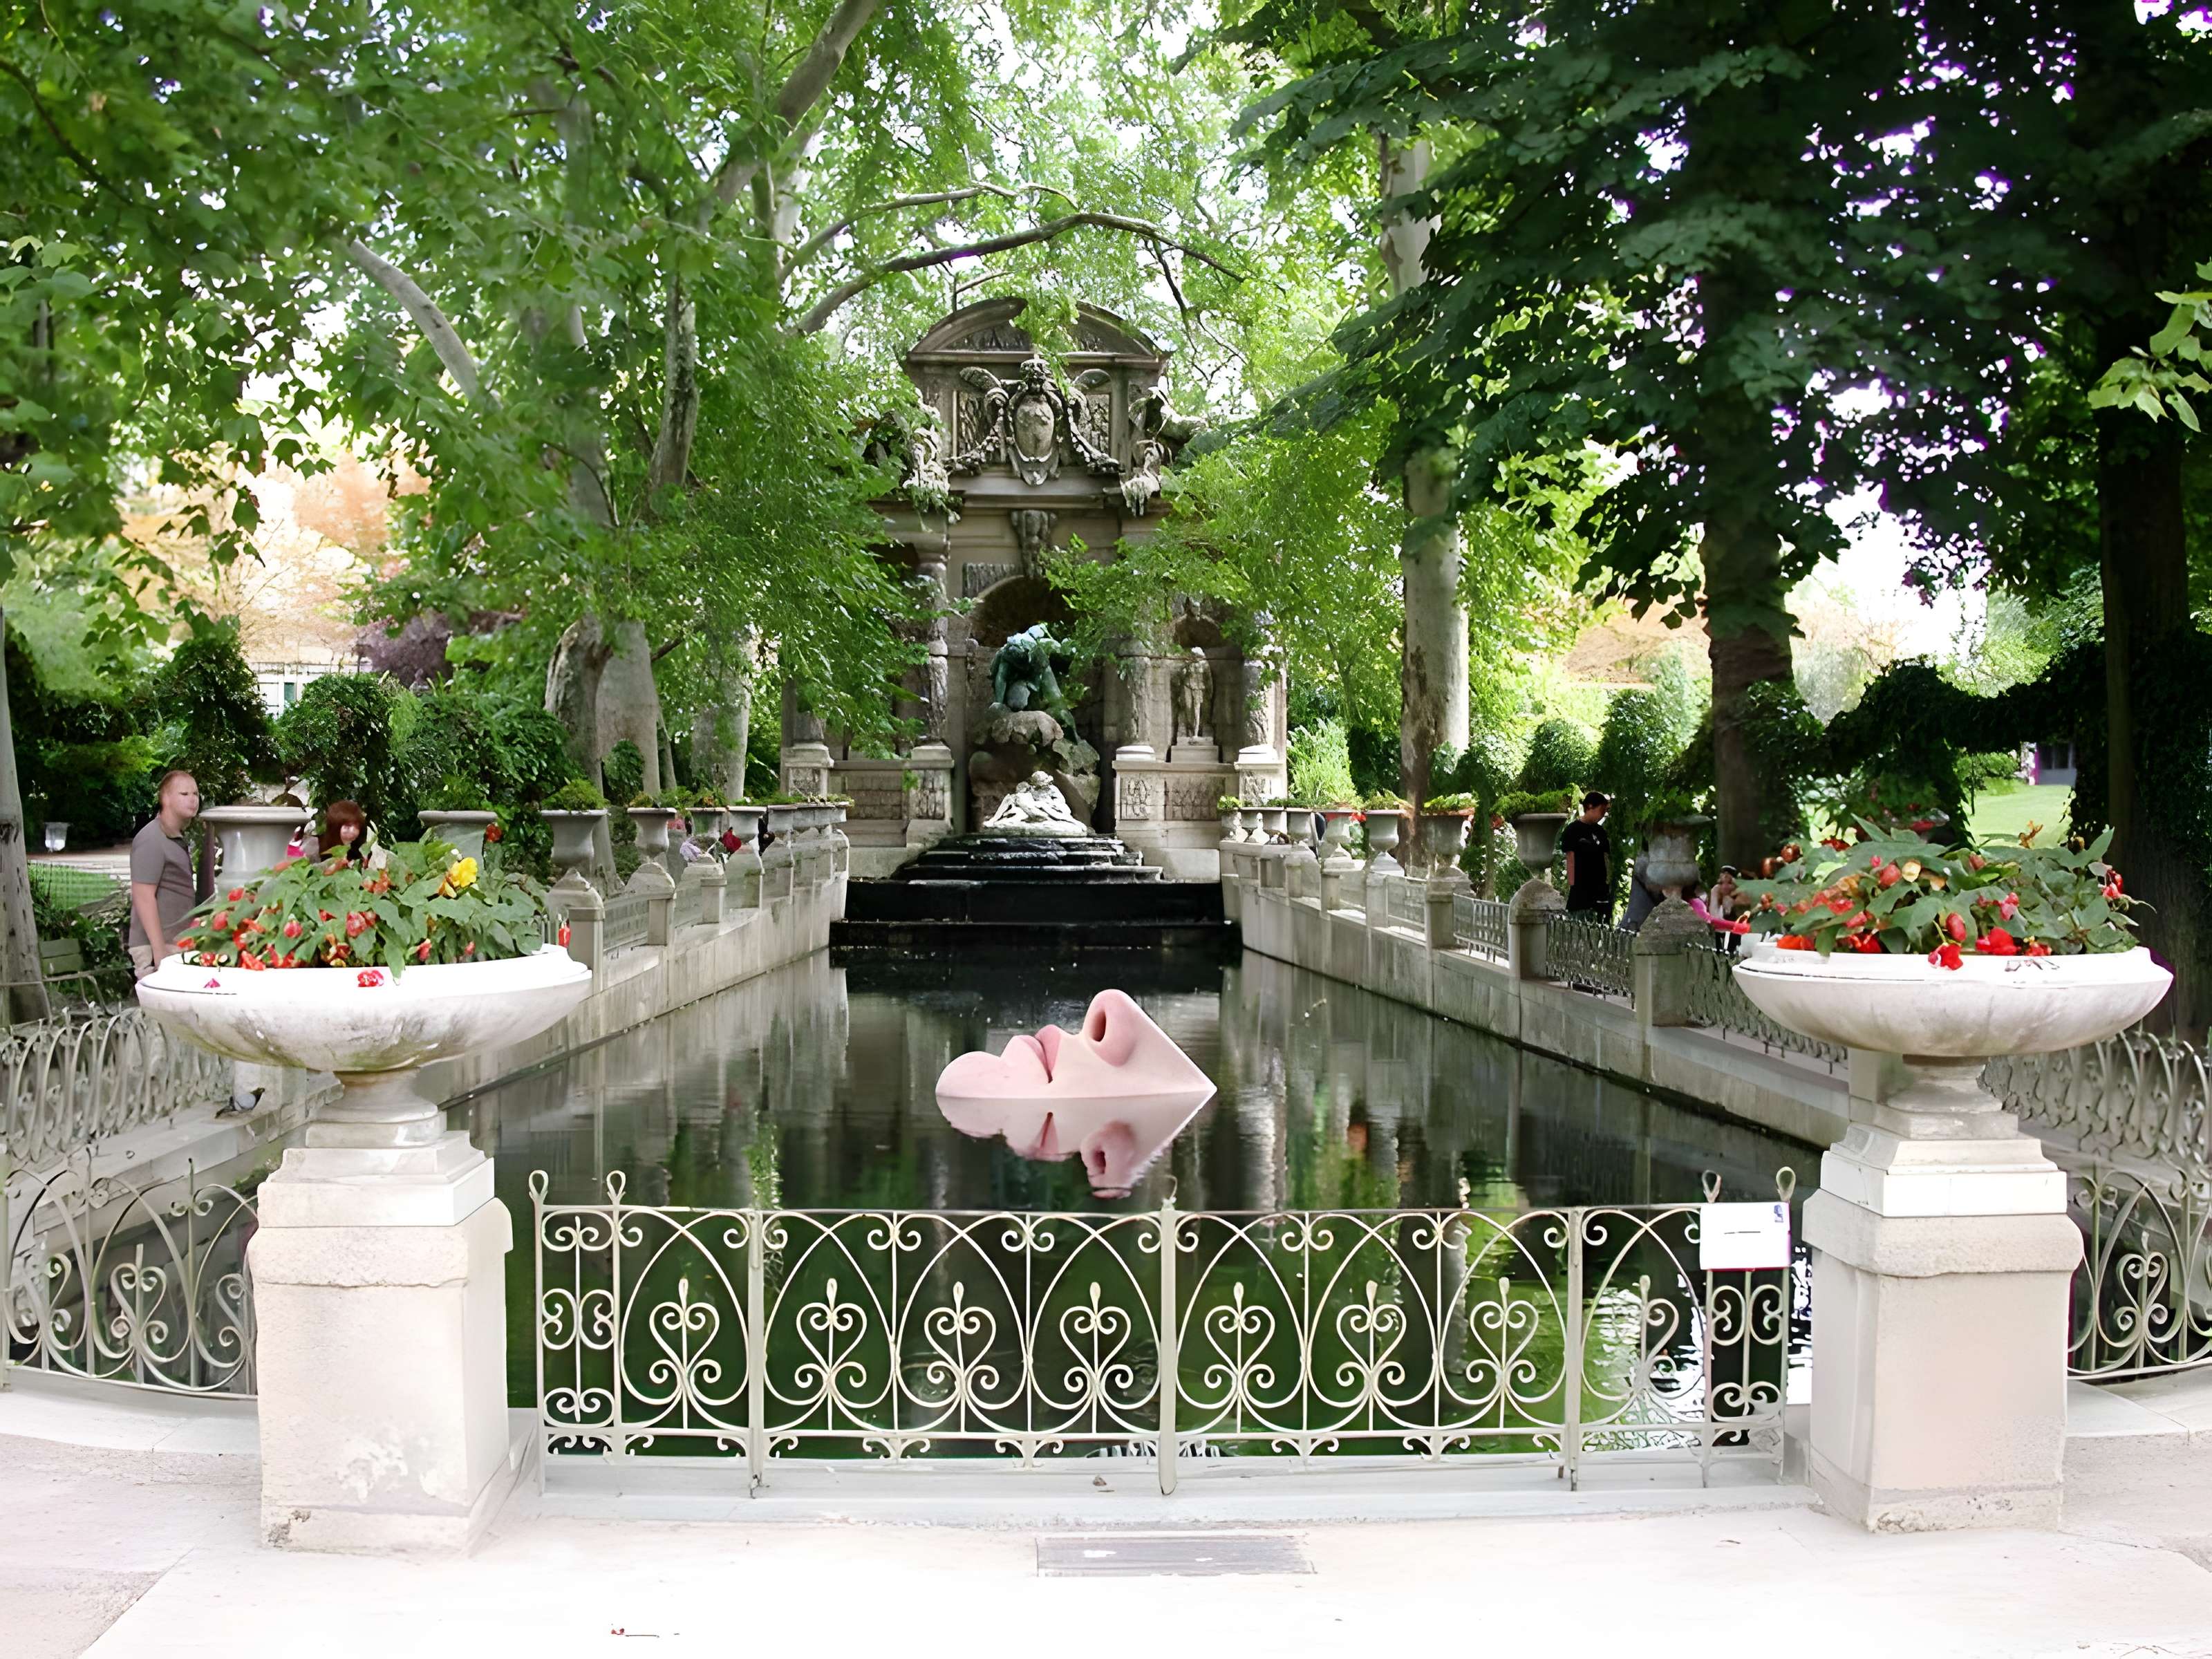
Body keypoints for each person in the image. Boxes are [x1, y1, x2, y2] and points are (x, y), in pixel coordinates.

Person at [129, 769, 200, 979]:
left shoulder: (175, 837)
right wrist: (160, 955)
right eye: (184, 794)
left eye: (195, 794)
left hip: (176, 946)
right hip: (157, 950)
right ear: (165, 798)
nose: (193, 800)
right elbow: (143, 897)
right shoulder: (152, 838)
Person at [1559, 791, 1613, 921]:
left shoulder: (1601, 832)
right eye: (1601, 810)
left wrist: (1607, 884)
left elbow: (1606, 859)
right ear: (1590, 807)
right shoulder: (1573, 830)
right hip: (1580, 891)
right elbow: (1570, 859)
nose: (1603, 815)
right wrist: (1573, 887)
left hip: (1600, 892)